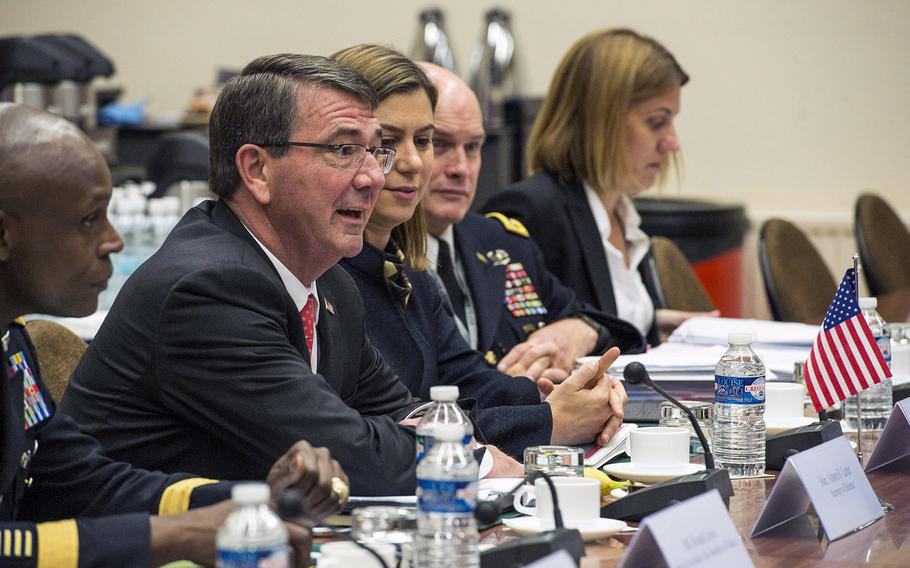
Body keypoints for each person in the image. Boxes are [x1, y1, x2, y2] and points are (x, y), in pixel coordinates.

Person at [61, 53, 519, 497]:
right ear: (257, 170)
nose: (373, 178)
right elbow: (345, 453)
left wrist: (427, 434)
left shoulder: (330, 282)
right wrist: (471, 457)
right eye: (343, 150)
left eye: (372, 151)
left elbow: (398, 410)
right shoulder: (208, 288)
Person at [0, 102, 346, 567]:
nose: (113, 240)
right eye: (88, 220)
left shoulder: (11, 343)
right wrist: (171, 537)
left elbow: (75, 482)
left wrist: (250, 498)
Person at [333, 45, 627, 456]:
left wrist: (566, 395)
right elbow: (398, 421)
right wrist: (551, 419)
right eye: (388, 140)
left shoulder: (407, 269)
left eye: (423, 140)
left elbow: (468, 378)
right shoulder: (326, 272)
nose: (415, 162)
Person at [480, 29, 719, 346]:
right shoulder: (529, 212)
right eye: (656, 122)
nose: (672, 143)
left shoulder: (621, 213)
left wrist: (649, 326)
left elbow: (601, 319)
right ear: (601, 122)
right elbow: (528, 342)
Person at [417, 62, 646, 381]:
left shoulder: (500, 240)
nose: (461, 168)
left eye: (472, 147)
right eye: (438, 144)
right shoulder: (375, 254)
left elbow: (602, 327)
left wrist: (581, 329)